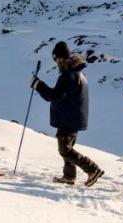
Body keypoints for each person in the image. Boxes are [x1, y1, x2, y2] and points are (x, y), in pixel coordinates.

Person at [32, 41, 104, 186]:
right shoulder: (75, 72)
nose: (55, 62)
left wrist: (38, 85)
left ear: (60, 58)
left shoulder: (69, 75)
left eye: (55, 59)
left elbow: (54, 95)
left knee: (65, 149)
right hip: (72, 116)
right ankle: (69, 176)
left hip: (69, 117)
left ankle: (92, 169)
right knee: (66, 146)